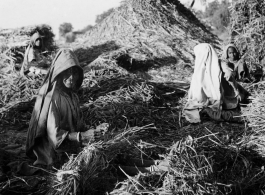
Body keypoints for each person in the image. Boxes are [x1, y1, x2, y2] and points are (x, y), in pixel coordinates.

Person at [25, 48, 107, 167]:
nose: (71, 77)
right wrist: (81, 136)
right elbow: (55, 136)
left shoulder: (72, 96)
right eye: (67, 72)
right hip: (53, 153)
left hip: (71, 146)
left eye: (74, 72)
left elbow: (78, 125)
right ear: (59, 72)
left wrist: (95, 130)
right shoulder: (53, 98)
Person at [183, 43, 250, 123]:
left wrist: (236, 90)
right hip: (217, 100)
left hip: (223, 100)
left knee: (218, 113)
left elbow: (229, 76)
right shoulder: (204, 68)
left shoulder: (215, 65)